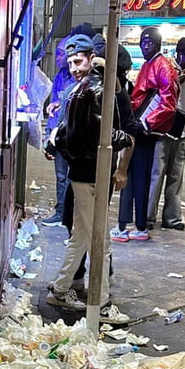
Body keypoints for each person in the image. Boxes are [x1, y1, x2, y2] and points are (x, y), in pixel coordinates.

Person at [47, 34, 133, 323]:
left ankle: (61, 288)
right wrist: (125, 139)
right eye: (70, 62)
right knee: (100, 241)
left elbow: (64, 136)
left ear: (91, 59)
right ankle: (102, 302)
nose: (73, 67)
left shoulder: (79, 90)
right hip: (92, 172)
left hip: (83, 173)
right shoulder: (93, 90)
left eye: (77, 61)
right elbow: (100, 134)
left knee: (82, 234)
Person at [112, 27, 178, 242]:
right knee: (132, 177)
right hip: (138, 126)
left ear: (158, 44)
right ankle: (133, 224)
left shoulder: (163, 66)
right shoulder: (151, 65)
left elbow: (168, 103)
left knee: (137, 177)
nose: (145, 46)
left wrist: (146, 123)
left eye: (149, 42)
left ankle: (136, 224)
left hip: (145, 130)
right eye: (143, 42)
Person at [147, 36, 185, 230]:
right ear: (180, 54)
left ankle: (172, 218)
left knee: (176, 177)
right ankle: (148, 217)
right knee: (157, 174)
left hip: (181, 131)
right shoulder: (165, 68)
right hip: (163, 129)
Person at [42, 37, 71, 226]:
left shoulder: (81, 79)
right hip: (59, 135)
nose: (57, 58)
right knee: (61, 176)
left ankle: (69, 212)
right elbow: (53, 110)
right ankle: (62, 211)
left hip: (74, 135)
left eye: (61, 54)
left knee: (72, 178)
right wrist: (48, 136)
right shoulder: (60, 77)